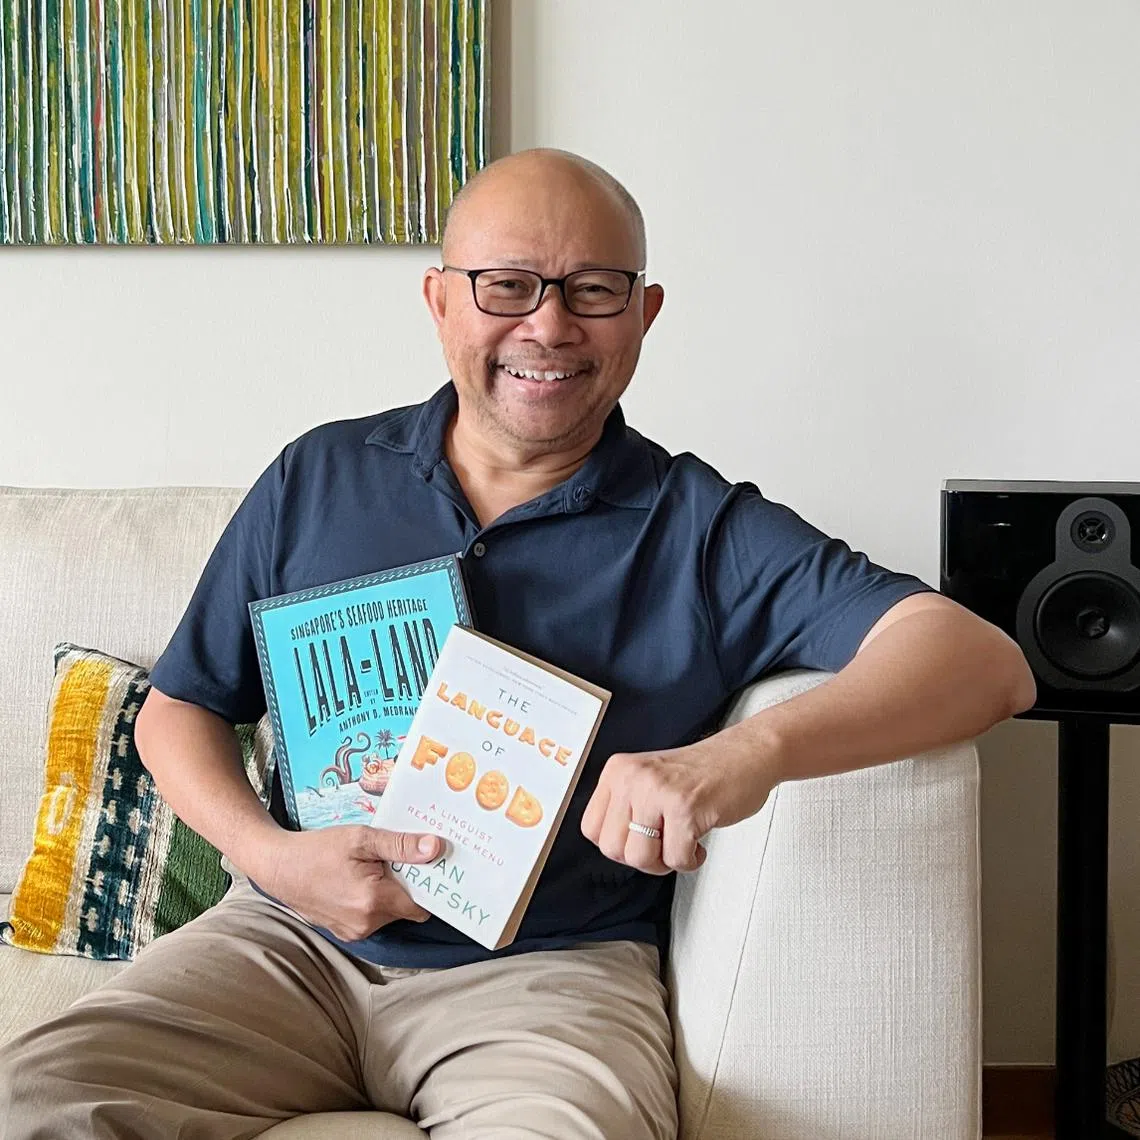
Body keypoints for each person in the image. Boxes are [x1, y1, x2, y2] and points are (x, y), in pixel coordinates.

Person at [0, 149, 1035, 1139]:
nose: (548, 324)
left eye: (593, 289)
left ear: (644, 313)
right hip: (285, 941)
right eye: (507, 285)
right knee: (32, 1101)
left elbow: (980, 661)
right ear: (440, 300)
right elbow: (181, 708)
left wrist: (743, 756)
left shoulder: (704, 530)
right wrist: (270, 856)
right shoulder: (317, 477)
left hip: (549, 974)